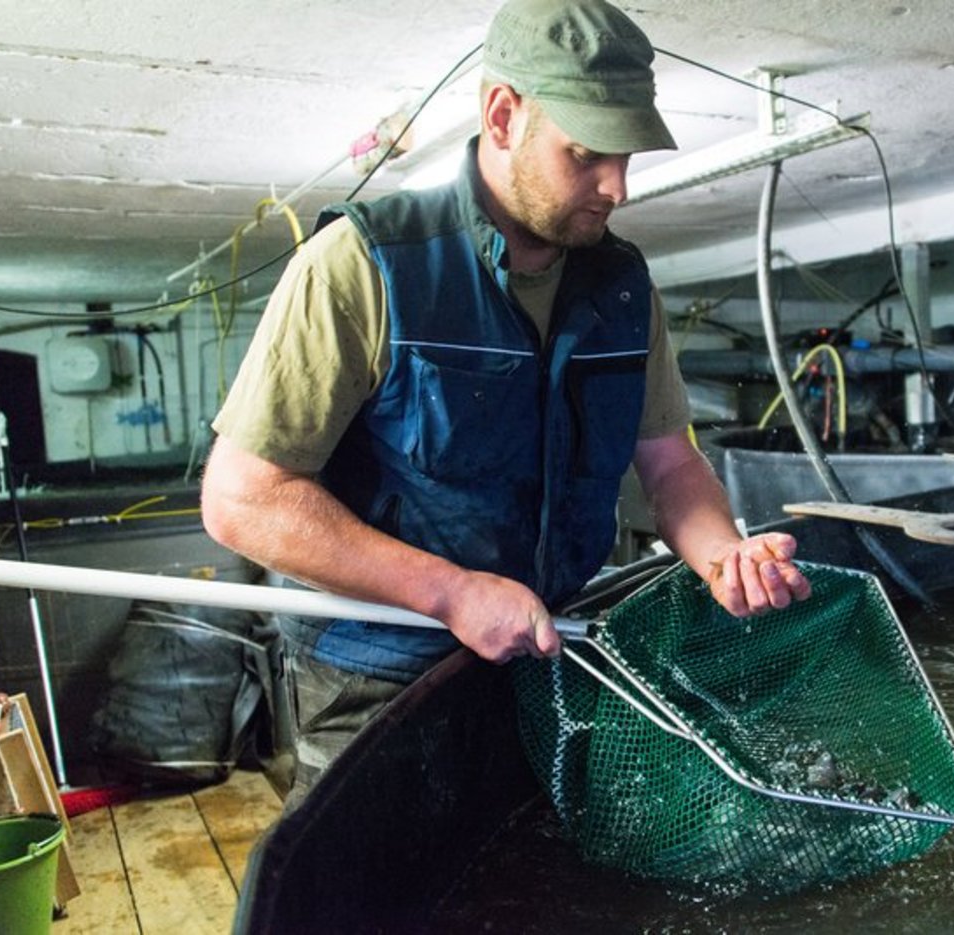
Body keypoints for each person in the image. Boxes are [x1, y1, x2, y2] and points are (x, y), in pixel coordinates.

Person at [200, 0, 811, 803]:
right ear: (502, 116)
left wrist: (724, 554)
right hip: (379, 672)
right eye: (586, 153)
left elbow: (670, 466)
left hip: (545, 645)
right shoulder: (362, 265)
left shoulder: (622, 287)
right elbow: (243, 499)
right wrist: (452, 592)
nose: (617, 187)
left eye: (625, 156)